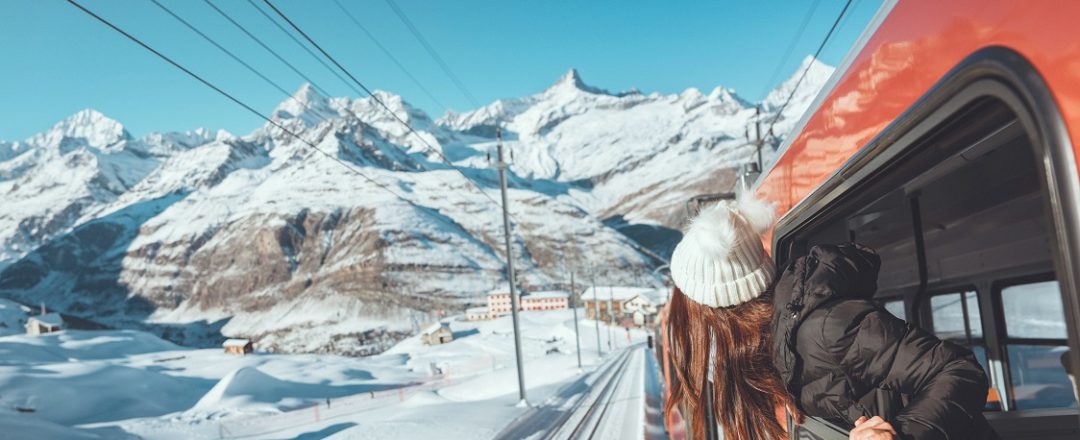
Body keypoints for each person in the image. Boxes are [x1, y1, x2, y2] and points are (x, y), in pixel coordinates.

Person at [664, 195, 999, 439]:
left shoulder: (825, 327)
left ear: (718, 314)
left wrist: (900, 433)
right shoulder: (773, 346)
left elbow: (957, 369)